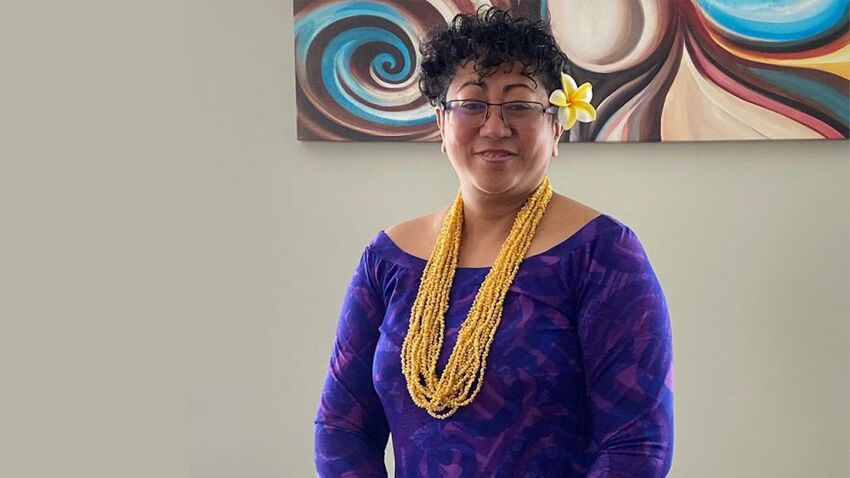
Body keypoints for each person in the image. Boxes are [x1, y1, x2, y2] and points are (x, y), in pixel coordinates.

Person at [314, 7, 673, 477]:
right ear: (442, 125)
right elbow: (341, 428)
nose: (494, 127)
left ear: (556, 127)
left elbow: (636, 447)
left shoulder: (602, 254)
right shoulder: (388, 259)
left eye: (519, 105)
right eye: (472, 104)